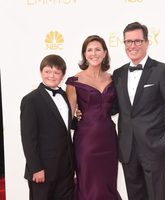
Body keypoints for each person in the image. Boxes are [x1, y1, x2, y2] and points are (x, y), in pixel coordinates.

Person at [112, 22, 165, 200]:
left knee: (157, 196)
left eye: (137, 41)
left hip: (154, 146)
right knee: (134, 196)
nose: (132, 46)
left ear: (147, 42)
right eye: (128, 42)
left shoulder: (161, 70)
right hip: (127, 148)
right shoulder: (118, 74)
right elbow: (113, 107)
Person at [65, 35, 121, 200]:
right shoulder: (74, 81)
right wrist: (77, 116)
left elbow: (120, 106)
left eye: (98, 49)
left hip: (109, 141)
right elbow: (67, 116)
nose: (94, 53)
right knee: (88, 185)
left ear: (105, 53)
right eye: (89, 50)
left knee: (108, 183)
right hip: (86, 142)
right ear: (84, 54)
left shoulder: (114, 79)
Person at [20, 54, 75, 200]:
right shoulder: (31, 100)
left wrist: (77, 119)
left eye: (57, 72)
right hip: (43, 171)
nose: (52, 75)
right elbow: (28, 138)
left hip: (66, 168)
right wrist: (36, 168)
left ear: (63, 76)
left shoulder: (64, 95)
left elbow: (63, 125)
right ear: (41, 72)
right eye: (48, 71)